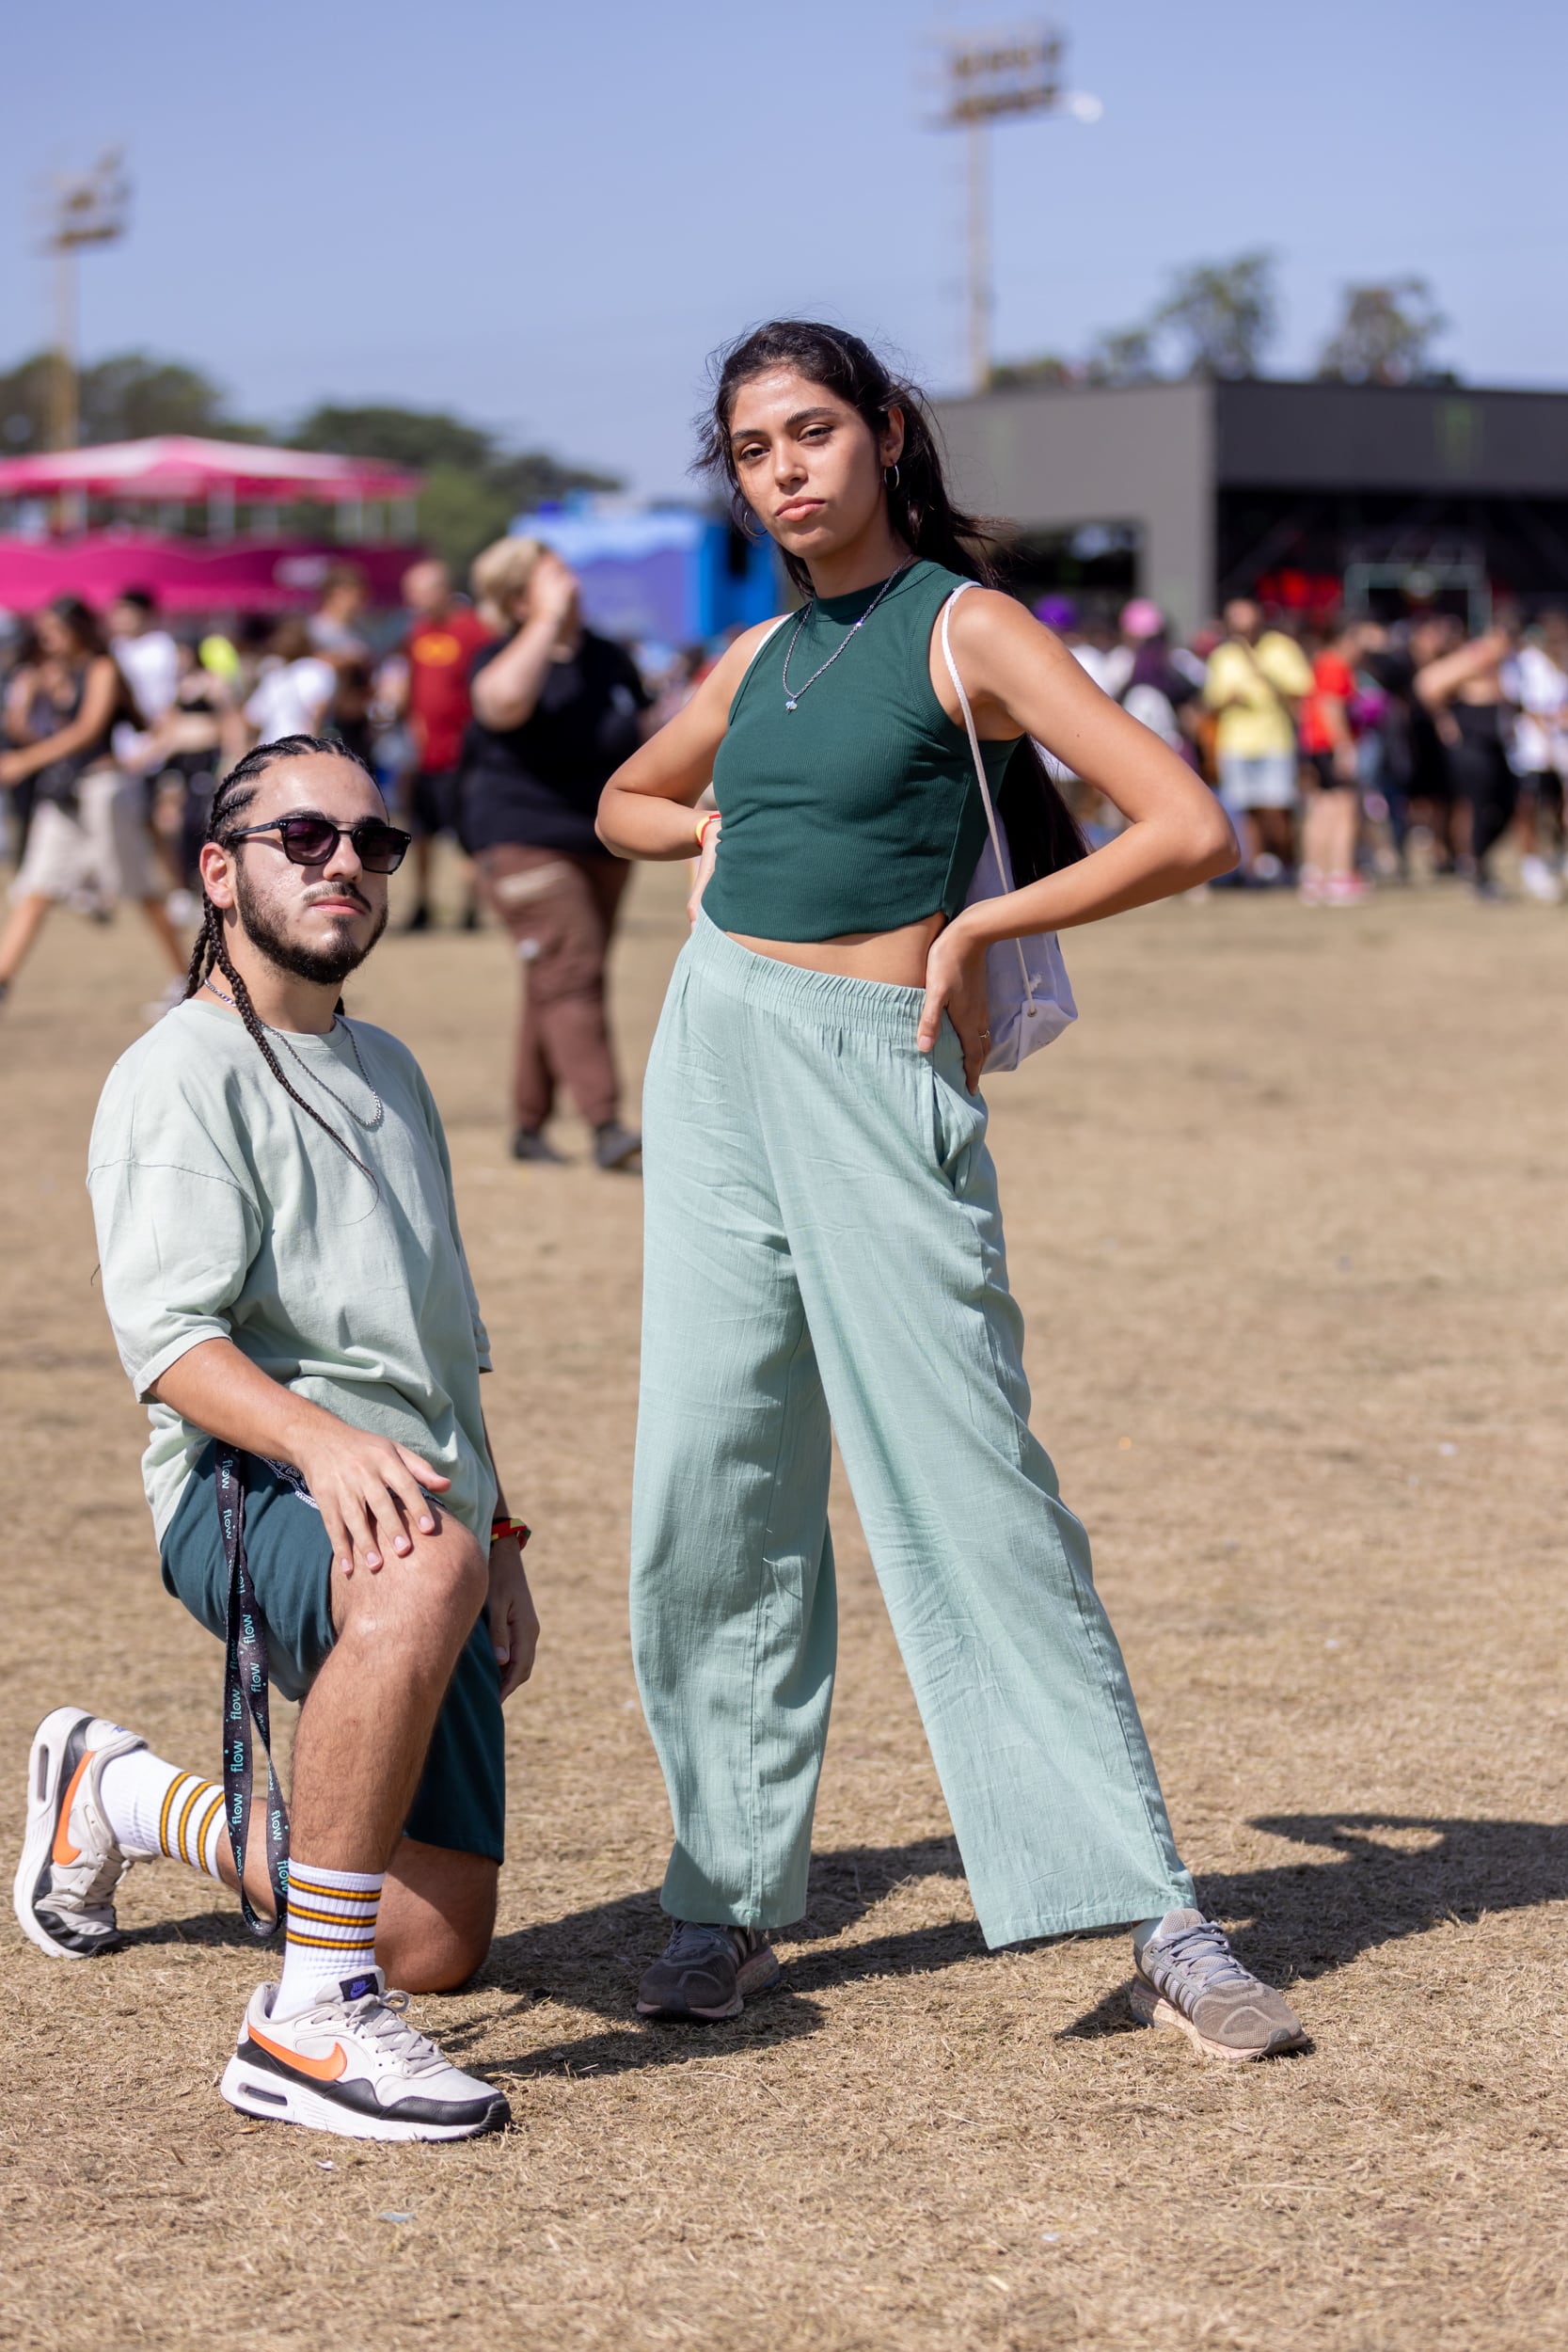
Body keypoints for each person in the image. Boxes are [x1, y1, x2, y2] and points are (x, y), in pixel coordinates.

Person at [595, 318, 1307, 2063]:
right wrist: (710, 842)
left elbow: (1183, 823)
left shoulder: (963, 628)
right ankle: (726, 1901)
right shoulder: (756, 652)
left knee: (969, 1486)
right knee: (711, 1478)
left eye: (815, 430)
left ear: (888, 431)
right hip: (712, 1061)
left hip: (872, 1062)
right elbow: (622, 798)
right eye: (756, 447)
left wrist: (985, 921)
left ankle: (1151, 1911)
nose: (788, 469)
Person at [13, 732, 537, 2142]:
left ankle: (116, 1792)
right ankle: (303, 2029)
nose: (344, 865)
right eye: (303, 837)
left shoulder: (392, 1067)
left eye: (373, 842)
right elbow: (172, 1347)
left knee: (432, 1946)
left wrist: (498, 1535)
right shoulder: (178, 1071)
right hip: (251, 1488)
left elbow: (442, 1346)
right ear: (217, 867)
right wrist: (325, 1447)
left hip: (416, 1511)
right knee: (418, 1569)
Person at [458, 536, 648, 1170]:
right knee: (570, 973)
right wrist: (542, 622)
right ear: (518, 597)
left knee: (558, 976)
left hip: (599, 842)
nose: (571, 581)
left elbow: (648, 732)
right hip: (522, 839)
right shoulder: (500, 658)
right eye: (552, 575)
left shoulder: (607, 658)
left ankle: (529, 1125)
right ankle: (605, 1126)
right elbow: (502, 705)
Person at [0, 596, 186, 1008]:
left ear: (76, 630)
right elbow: (42, 736)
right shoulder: (49, 673)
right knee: (35, 887)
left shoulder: (102, 668)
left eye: (54, 631)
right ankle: (2, 979)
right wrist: (24, 703)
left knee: (141, 889)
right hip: (63, 792)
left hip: (105, 790)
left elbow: (87, 731)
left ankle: (185, 979)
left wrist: (25, 761)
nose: (47, 640)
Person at [393, 558, 490, 931]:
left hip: (463, 757)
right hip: (423, 758)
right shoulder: (417, 632)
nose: (413, 601)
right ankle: (423, 904)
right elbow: (414, 686)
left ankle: (471, 908)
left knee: (467, 836)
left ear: (441, 589)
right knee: (421, 833)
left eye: (418, 592)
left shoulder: (473, 631)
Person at [1203, 599, 1313, 882]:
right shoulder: (1223, 655)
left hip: (1274, 740)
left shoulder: (1281, 648)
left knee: (1276, 809)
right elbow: (1212, 699)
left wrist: (1260, 669)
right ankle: (1256, 870)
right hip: (1237, 742)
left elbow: (1299, 689)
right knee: (1245, 810)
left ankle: (1287, 865)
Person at [1416, 620, 1518, 899]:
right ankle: (1475, 869)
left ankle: (1477, 860)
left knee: (1508, 804)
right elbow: (1428, 684)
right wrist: (1444, 719)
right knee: (1477, 807)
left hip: (1497, 746)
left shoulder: (1503, 665)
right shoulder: (1476, 658)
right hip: (1473, 747)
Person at [1296, 614, 1370, 904]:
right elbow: (1331, 707)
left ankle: (1315, 876)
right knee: (1344, 810)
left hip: (1315, 745)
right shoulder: (1335, 664)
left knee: (1322, 808)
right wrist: (1344, 747)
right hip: (1328, 745)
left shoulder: (1322, 662)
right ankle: (1340, 875)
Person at [1501, 611, 1568, 903]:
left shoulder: (1560, 663)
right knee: (1528, 808)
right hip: (1534, 753)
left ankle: (1557, 858)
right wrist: (1548, 742)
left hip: (1559, 751)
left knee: (1557, 810)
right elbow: (1529, 707)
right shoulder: (1527, 663)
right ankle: (1532, 865)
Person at [244, 616, 337, 748]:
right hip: (302, 746)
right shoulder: (318, 669)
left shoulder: (274, 675)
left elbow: (252, 718)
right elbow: (318, 710)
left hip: (269, 748)